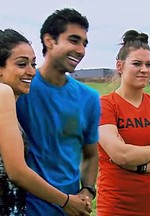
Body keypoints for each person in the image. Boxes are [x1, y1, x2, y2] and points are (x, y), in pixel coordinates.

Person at [16, 8, 101, 215]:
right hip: (27, 208)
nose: (81, 50)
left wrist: (87, 191)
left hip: (71, 208)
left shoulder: (89, 98)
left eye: (84, 44)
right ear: (49, 41)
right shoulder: (20, 88)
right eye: (73, 40)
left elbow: (90, 154)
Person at [0, 28, 91, 216]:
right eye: (21, 64)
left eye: (33, 64)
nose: (31, 71)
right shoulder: (3, 94)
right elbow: (17, 172)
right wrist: (66, 201)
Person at [97, 29, 150, 216]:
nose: (144, 70)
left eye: (149, 64)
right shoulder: (105, 105)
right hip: (116, 205)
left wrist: (139, 166)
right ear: (120, 66)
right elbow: (121, 154)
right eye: (137, 64)